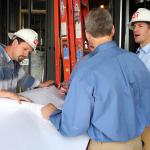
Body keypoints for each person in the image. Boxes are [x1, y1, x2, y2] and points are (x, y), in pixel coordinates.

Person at [41, 8, 150, 150]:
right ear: (112, 30)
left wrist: (53, 114)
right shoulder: (135, 61)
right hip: (137, 143)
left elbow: (73, 125)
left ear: (87, 34)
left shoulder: (85, 68)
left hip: (106, 146)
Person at [0, 28, 53, 103]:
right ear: (15, 43)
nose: (26, 55)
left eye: (29, 52)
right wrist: (10, 95)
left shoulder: (14, 62)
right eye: (25, 49)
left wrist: (41, 85)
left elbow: (23, 78)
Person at [129, 7, 150, 150]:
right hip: (139, 122)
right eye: (134, 26)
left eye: (140, 26)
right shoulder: (137, 54)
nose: (135, 29)